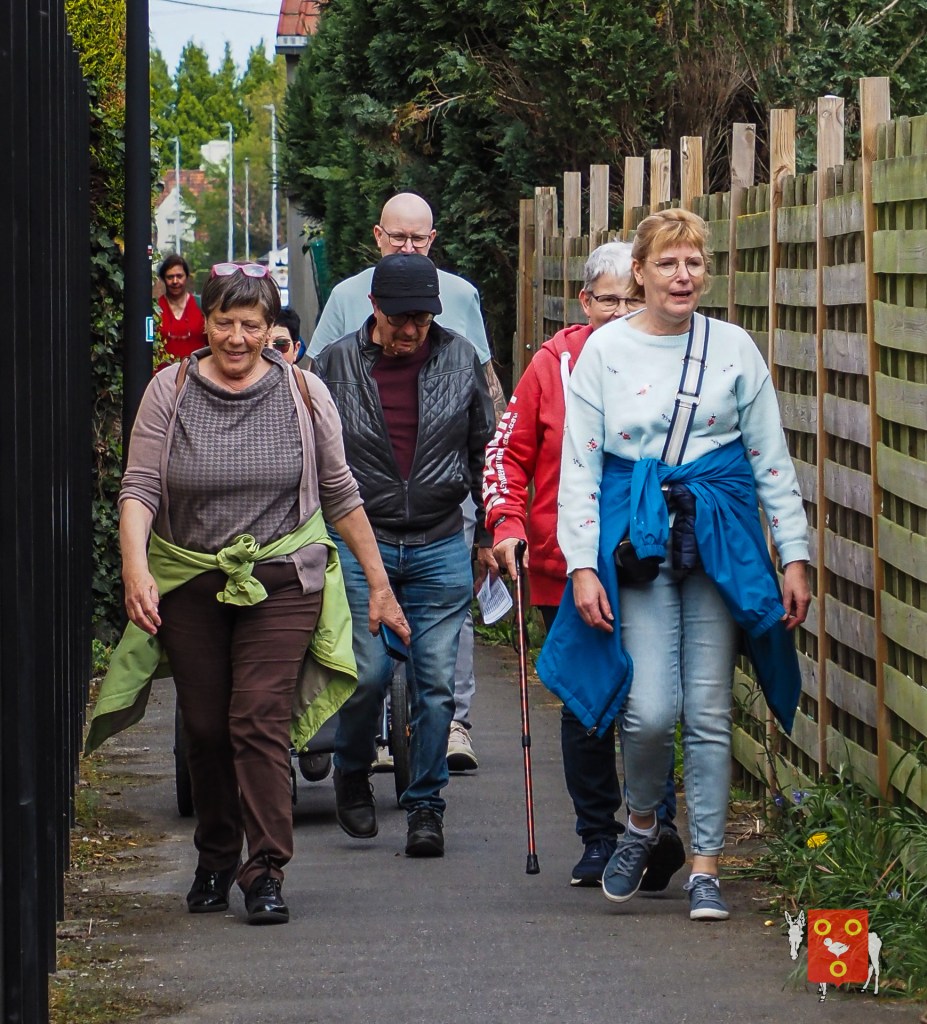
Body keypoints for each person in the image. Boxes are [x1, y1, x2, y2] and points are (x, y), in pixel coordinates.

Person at [86, 261, 409, 926]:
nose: (237, 338)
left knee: (257, 717)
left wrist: (379, 585)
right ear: (205, 323)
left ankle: (264, 869)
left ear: (271, 329)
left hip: (283, 576)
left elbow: (340, 492)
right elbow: (140, 487)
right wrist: (135, 569)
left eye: (252, 325)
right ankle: (215, 855)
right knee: (205, 726)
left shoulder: (304, 393)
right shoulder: (169, 390)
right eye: (225, 323)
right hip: (190, 575)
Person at [539, 209, 810, 921]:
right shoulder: (604, 351)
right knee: (651, 710)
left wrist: (793, 554)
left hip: (719, 535)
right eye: (666, 263)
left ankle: (706, 867)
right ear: (639, 272)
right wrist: (581, 565)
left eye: (693, 262)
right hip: (639, 541)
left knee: (710, 711)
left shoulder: (734, 347)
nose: (682, 276)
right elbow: (579, 467)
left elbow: (770, 459)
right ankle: (640, 824)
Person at [485, 243, 684, 888]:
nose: (621, 312)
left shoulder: (674, 359)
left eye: (632, 299)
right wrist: (507, 524)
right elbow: (507, 454)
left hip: (645, 559)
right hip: (563, 562)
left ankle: (655, 827)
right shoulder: (554, 363)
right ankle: (599, 835)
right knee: (585, 699)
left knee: (650, 696)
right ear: (584, 302)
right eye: (608, 300)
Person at [310, 192, 504, 774]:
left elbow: (484, 394)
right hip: (363, 504)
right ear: (378, 236)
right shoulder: (346, 300)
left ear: (433, 239)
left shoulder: (460, 296)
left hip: (441, 493)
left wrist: (490, 513)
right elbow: (315, 389)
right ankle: (360, 743)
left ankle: (450, 730)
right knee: (367, 654)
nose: (409, 247)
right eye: (399, 237)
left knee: (446, 629)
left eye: (419, 238)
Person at [156, 254, 207, 361]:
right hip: (162, 371)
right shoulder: (155, 308)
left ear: (187, 277)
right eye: (170, 277)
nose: (175, 281)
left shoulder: (202, 305)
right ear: (163, 279)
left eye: (179, 276)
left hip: (195, 370)